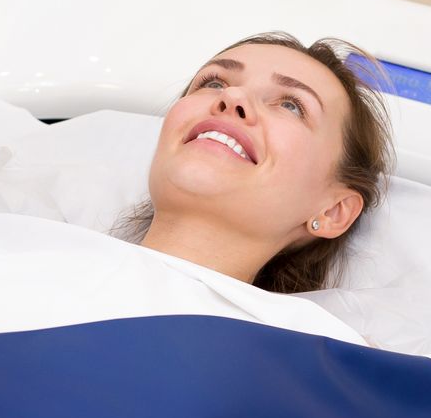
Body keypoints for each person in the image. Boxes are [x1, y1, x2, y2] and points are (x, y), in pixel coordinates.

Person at [117, 33, 393, 292]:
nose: (232, 96)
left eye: (291, 105)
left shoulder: (315, 343)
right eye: (214, 83)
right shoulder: (73, 261)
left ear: (333, 212)